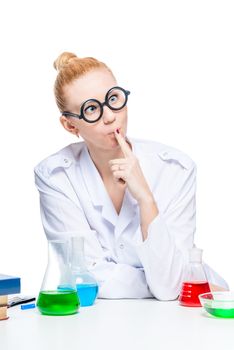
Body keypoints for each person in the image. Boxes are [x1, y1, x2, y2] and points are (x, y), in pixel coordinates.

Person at [34, 52, 228, 300]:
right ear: (71, 125)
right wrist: (164, 283)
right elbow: (83, 277)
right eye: (91, 109)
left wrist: (146, 199)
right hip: (105, 322)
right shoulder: (55, 176)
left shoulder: (176, 169)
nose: (110, 116)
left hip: (186, 316)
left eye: (113, 98)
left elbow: (169, 288)